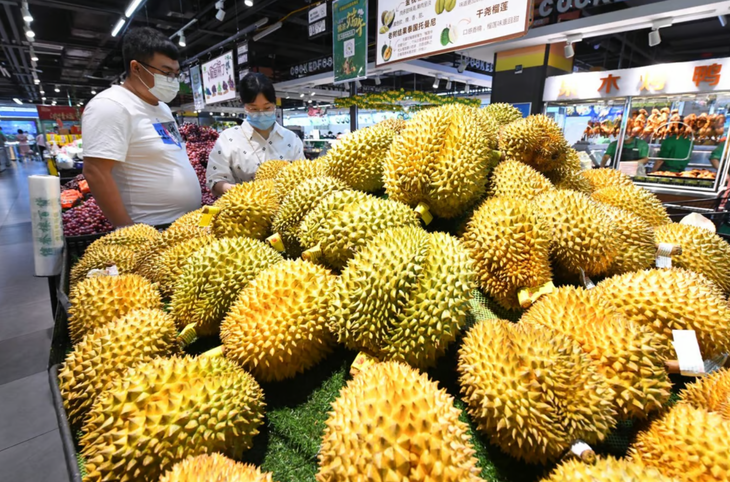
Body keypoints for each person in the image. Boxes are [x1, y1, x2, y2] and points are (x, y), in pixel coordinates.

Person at [82, 27, 201, 227]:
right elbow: (95, 171)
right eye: (166, 72)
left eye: (175, 74)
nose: (172, 80)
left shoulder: (162, 107)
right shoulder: (111, 105)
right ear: (136, 68)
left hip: (187, 226)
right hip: (150, 230)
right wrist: (129, 232)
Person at [206, 73, 305, 196]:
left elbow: (304, 176)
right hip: (245, 210)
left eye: (267, 107)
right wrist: (241, 192)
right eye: (254, 108)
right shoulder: (228, 139)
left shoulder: (292, 139)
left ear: (275, 104)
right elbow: (215, 180)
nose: (261, 113)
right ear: (244, 105)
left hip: (289, 209)